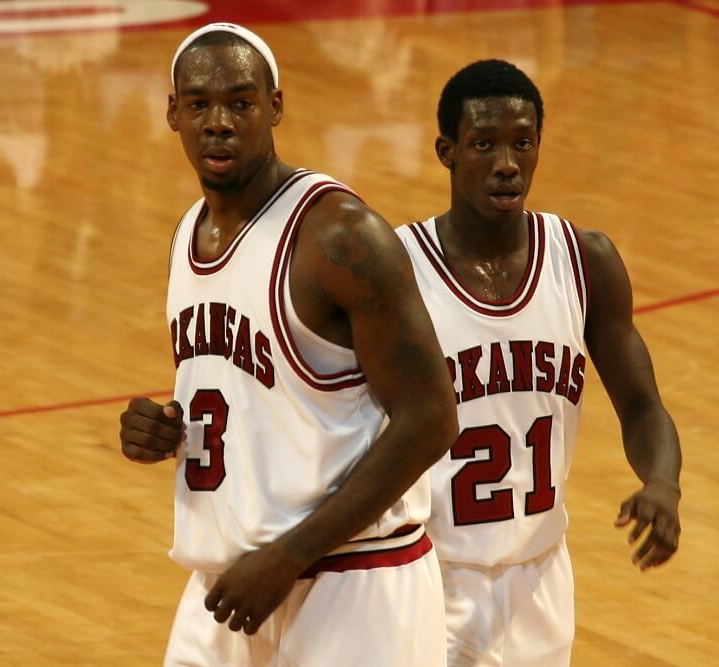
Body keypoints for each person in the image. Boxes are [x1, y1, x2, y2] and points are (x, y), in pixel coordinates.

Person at [118, 23, 458, 667]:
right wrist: (167, 429)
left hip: (354, 581)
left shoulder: (340, 236)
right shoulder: (189, 235)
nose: (218, 122)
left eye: (241, 103)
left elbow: (431, 419)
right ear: (171, 113)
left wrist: (292, 555)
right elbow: (263, 393)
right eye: (198, 105)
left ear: (275, 106)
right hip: (229, 584)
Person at [395, 59, 683, 666]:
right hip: (425, 574)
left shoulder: (584, 261)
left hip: (541, 579)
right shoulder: (398, 269)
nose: (507, 163)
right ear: (446, 151)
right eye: (484, 145)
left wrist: (662, 483)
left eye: (522, 143)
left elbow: (643, 407)